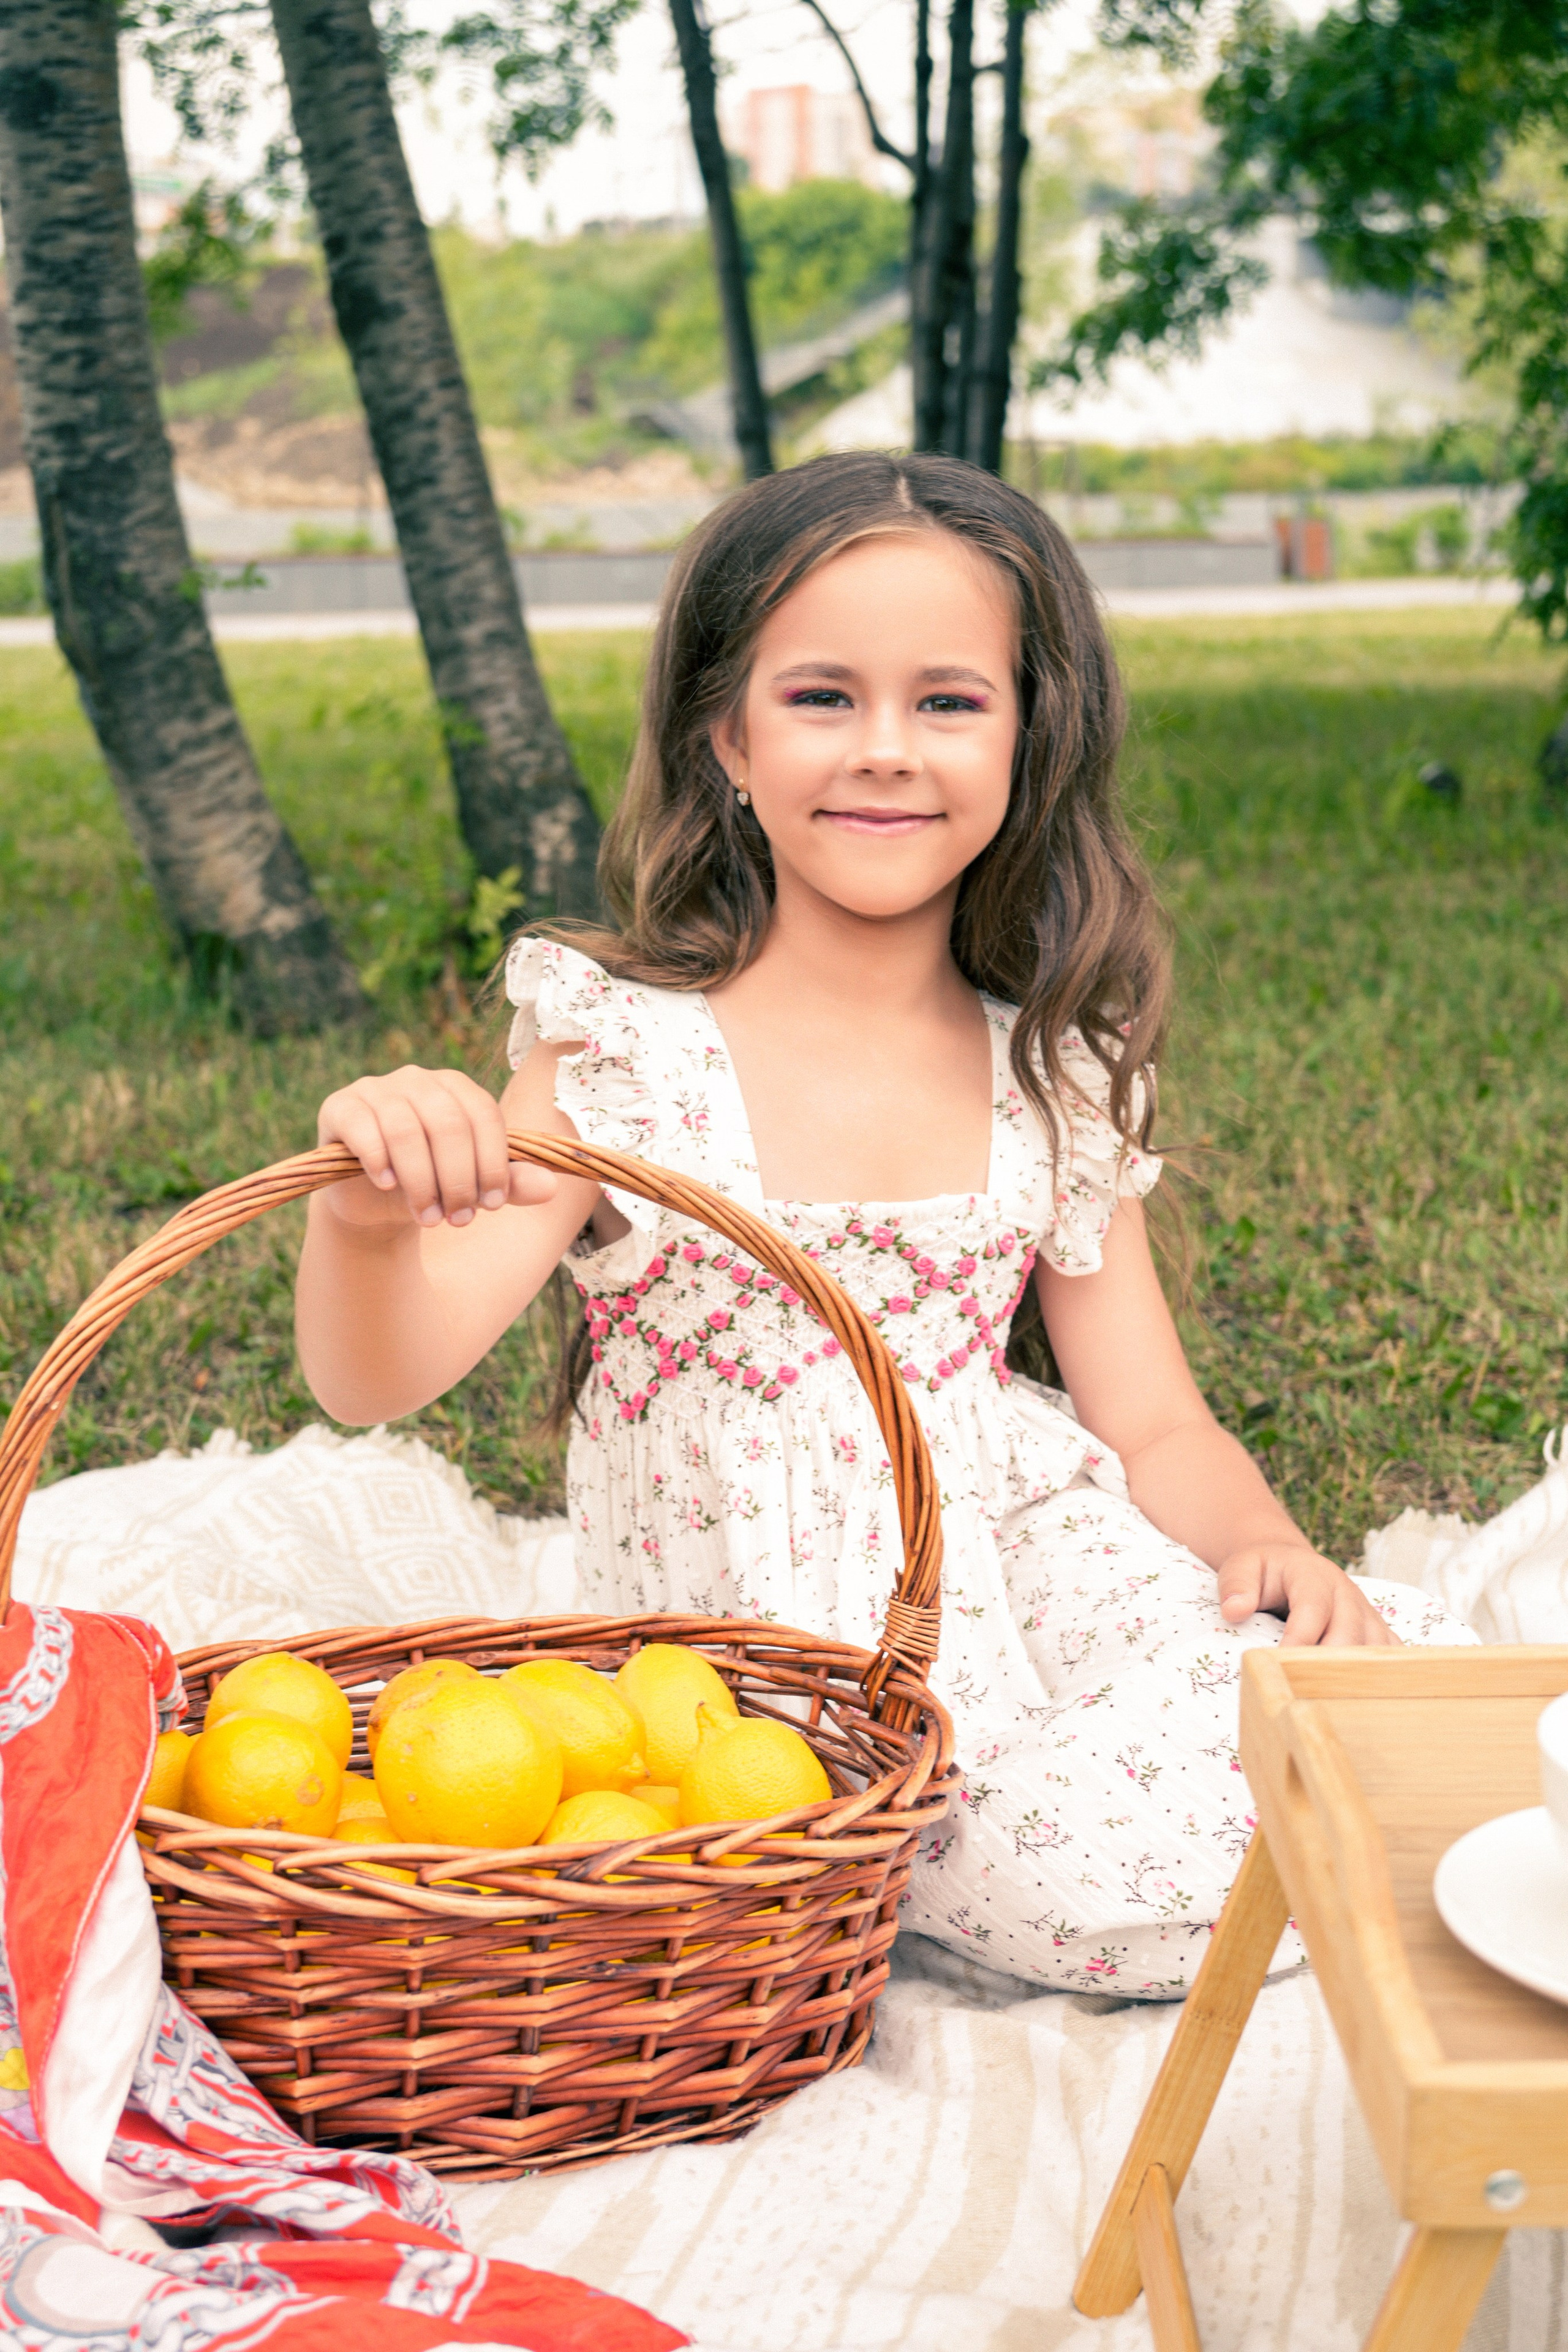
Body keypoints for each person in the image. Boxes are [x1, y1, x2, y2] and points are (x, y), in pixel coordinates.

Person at [295, 451, 1467, 1996]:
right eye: (822, 697)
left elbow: (1154, 1423)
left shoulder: (1045, 1069)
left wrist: (1261, 1541)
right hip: (791, 1645)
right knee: (1075, 1875)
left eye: (947, 701)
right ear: (723, 733)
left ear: (1025, 736)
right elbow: (374, 1381)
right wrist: (374, 1222)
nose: (886, 752)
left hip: (1015, 1536)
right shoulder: (624, 1060)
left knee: (1378, 1682)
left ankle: (1355, 1811)